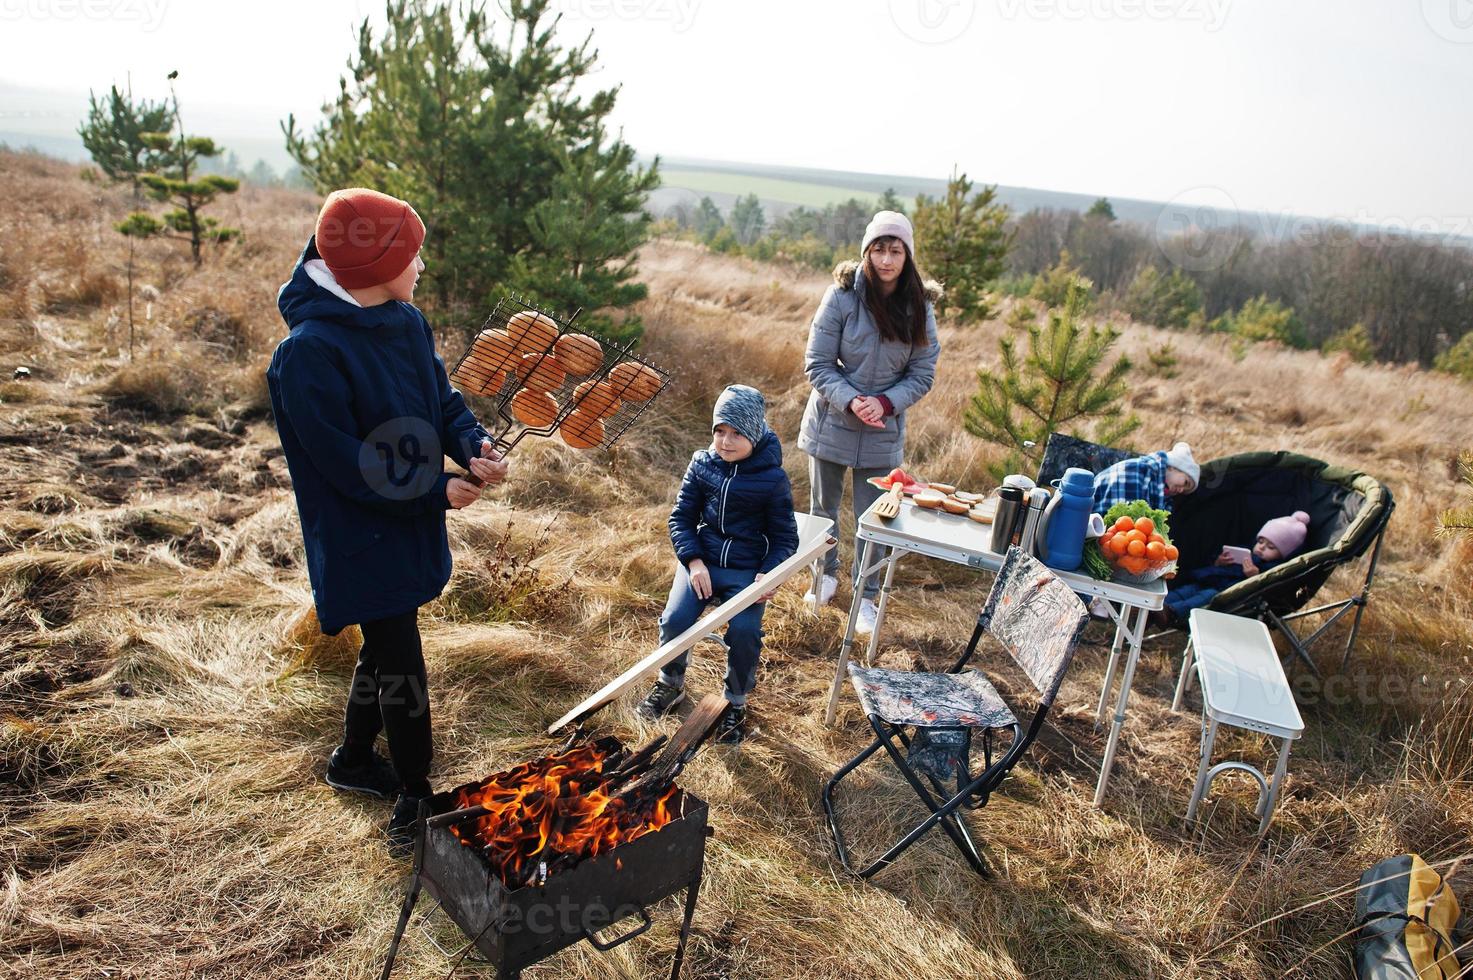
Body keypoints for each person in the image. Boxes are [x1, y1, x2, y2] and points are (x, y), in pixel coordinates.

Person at [267, 187, 507, 855]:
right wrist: (436, 489)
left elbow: (442, 400)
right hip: (358, 533)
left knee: (387, 639)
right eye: (413, 254)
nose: (423, 266)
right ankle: (413, 793)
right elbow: (347, 466)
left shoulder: (405, 321)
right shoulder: (307, 355)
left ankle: (350, 760)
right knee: (402, 657)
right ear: (374, 266)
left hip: (406, 517)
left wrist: (473, 446)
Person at [797, 210, 941, 635]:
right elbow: (818, 363)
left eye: (895, 250)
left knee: (874, 517)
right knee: (823, 509)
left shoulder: (920, 307)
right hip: (832, 421)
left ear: (907, 256)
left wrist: (884, 402)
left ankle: (867, 594)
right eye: (878, 249)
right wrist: (852, 399)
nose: (885, 259)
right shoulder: (840, 296)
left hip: (883, 430)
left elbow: (922, 374)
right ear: (866, 252)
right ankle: (823, 577)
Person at [637, 385, 799, 745]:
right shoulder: (702, 464)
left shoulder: (772, 479)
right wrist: (693, 561)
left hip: (746, 569)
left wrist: (768, 574)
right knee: (675, 620)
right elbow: (680, 518)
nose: (725, 441)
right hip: (702, 562)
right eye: (719, 430)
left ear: (754, 433)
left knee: (744, 632)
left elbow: (786, 538)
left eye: (737, 432)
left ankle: (734, 703)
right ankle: (670, 684)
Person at [1162, 511, 1311, 622]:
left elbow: (1269, 589)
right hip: (1207, 581)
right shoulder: (1245, 551)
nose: (1261, 548)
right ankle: (1159, 604)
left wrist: (1255, 576)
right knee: (1187, 590)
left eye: (1271, 547)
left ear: (1284, 553)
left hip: (1223, 594)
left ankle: (1172, 613)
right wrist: (1218, 562)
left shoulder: (1274, 568)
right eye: (1260, 542)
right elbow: (1215, 567)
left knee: (1203, 598)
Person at [1092, 441, 1200, 515]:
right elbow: (1123, 525)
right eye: (1186, 483)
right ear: (1173, 467)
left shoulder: (1159, 494)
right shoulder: (1137, 470)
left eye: (1185, 491)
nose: (1181, 490)